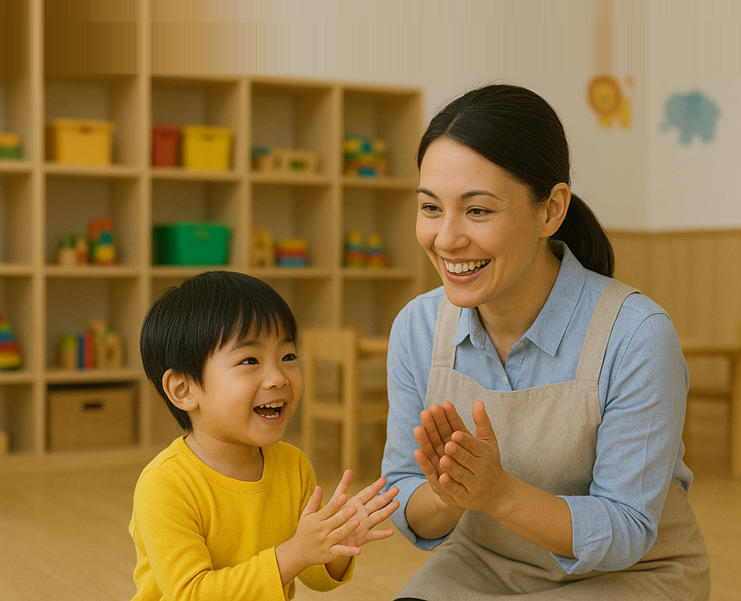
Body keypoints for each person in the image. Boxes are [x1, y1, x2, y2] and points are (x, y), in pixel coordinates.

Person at [381, 84, 710, 600]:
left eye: (478, 211)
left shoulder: (637, 334)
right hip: (483, 568)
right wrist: (450, 496)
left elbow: (627, 528)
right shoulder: (417, 329)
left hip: (630, 576)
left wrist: (499, 493)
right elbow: (403, 489)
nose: (446, 238)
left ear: (551, 210)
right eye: (430, 208)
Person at [132, 270, 399, 600]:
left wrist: (337, 541)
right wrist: (295, 552)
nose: (277, 378)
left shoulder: (293, 465)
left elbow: (314, 575)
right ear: (184, 389)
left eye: (288, 357)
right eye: (249, 360)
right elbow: (193, 594)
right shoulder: (164, 485)